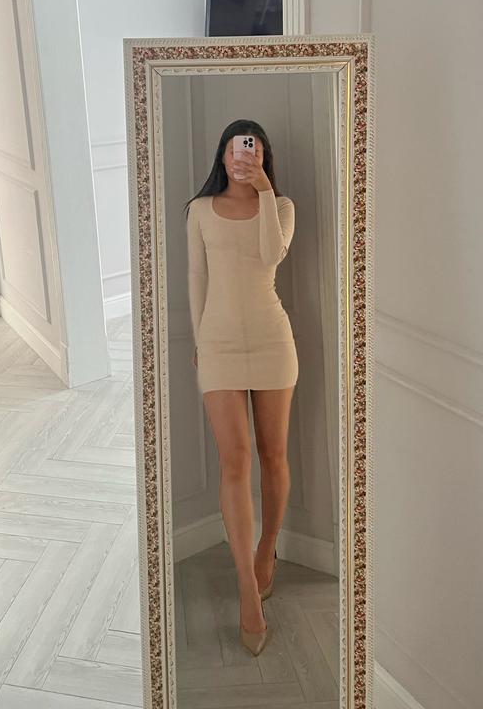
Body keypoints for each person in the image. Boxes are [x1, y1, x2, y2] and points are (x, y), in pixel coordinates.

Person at [184, 119, 298, 657]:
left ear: (263, 156)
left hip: (272, 341)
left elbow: (272, 255)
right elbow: (197, 279)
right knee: (235, 460)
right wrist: (199, 342)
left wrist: (266, 192)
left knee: (273, 455)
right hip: (220, 345)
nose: (242, 158)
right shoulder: (200, 210)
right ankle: (247, 588)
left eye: (251, 151)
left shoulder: (282, 208)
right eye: (234, 150)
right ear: (222, 156)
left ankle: (266, 549)